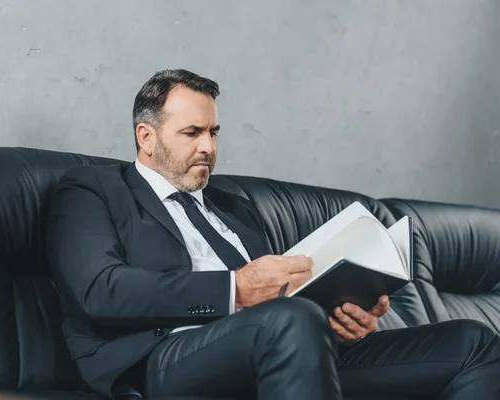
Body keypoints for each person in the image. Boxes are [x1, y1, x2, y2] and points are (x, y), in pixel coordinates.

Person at [46, 68, 500, 400]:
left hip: (280, 341)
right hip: (160, 357)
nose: (209, 147)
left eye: (214, 132)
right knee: (290, 320)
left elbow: (286, 303)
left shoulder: (234, 207)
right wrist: (235, 290)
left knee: (472, 341)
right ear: (146, 136)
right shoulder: (94, 189)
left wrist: (340, 323)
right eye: (192, 133)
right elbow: (98, 290)